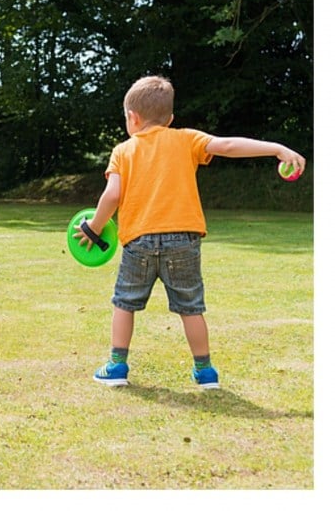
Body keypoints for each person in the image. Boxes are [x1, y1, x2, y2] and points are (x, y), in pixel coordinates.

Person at [75, 75, 306, 389]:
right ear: (170, 119)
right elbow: (227, 145)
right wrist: (277, 148)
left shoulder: (123, 151)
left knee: (124, 303)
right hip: (184, 240)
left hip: (138, 241)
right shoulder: (185, 138)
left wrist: (94, 228)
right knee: (191, 308)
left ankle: (116, 367)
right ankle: (205, 372)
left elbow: (112, 196)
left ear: (132, 118)